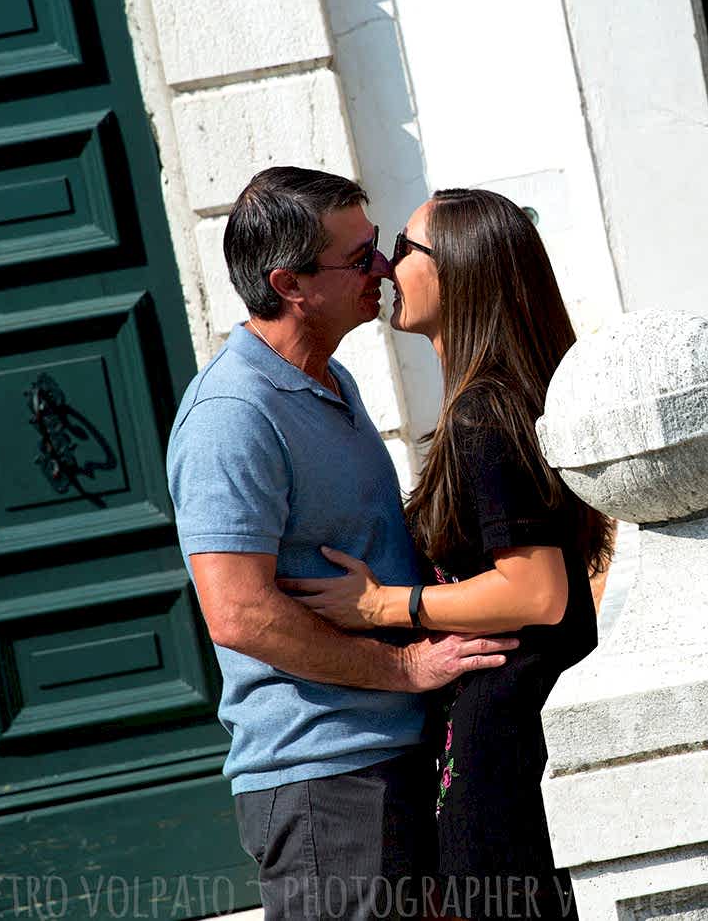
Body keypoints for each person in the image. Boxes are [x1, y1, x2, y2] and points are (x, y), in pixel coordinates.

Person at [166, 167, 519, 921]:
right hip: (326, 785)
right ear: (290, 282)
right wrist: (405, 665)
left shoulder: (335, 380)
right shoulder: (230, 416)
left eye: (379, 248)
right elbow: (238, 615)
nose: (384, 268)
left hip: (388, 765)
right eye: (359, 259)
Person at [283, 189, 613, 921]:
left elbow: (537, 591)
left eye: (406, 247)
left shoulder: (482, 412)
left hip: (500, 745)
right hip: (509, 730)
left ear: (459, 270)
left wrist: (385, 604)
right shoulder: (500, 396)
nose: (389, 265)